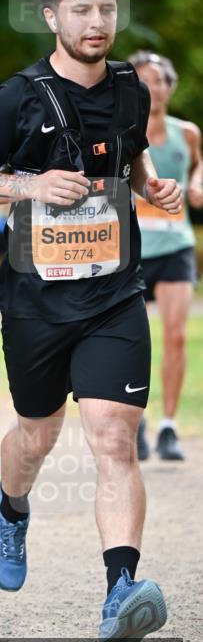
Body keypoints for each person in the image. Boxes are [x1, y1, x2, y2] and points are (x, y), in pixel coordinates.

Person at [0, 0, 182, 642]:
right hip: (34, 302)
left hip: (113, 295)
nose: (96, 21)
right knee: (36, 434)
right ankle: (12, 507)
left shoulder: (128, 88)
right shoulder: (15, 99)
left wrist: (151, 186)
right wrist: (27, 184)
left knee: (114, 434)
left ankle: (121, 590)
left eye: (106, 8)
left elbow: (133, 156)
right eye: (81, 9)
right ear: (51, 15)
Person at [128, 51, 203, 462]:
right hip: (134, 250)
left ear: (169, 87)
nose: (150, 89)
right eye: (141, 82)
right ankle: (136, 420)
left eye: (157, 81)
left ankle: (169, 428)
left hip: (176, 247)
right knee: (133, 341)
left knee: (175, 336)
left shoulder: (187, 133)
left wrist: (196, 184)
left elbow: (198, 168)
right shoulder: (123, 134)